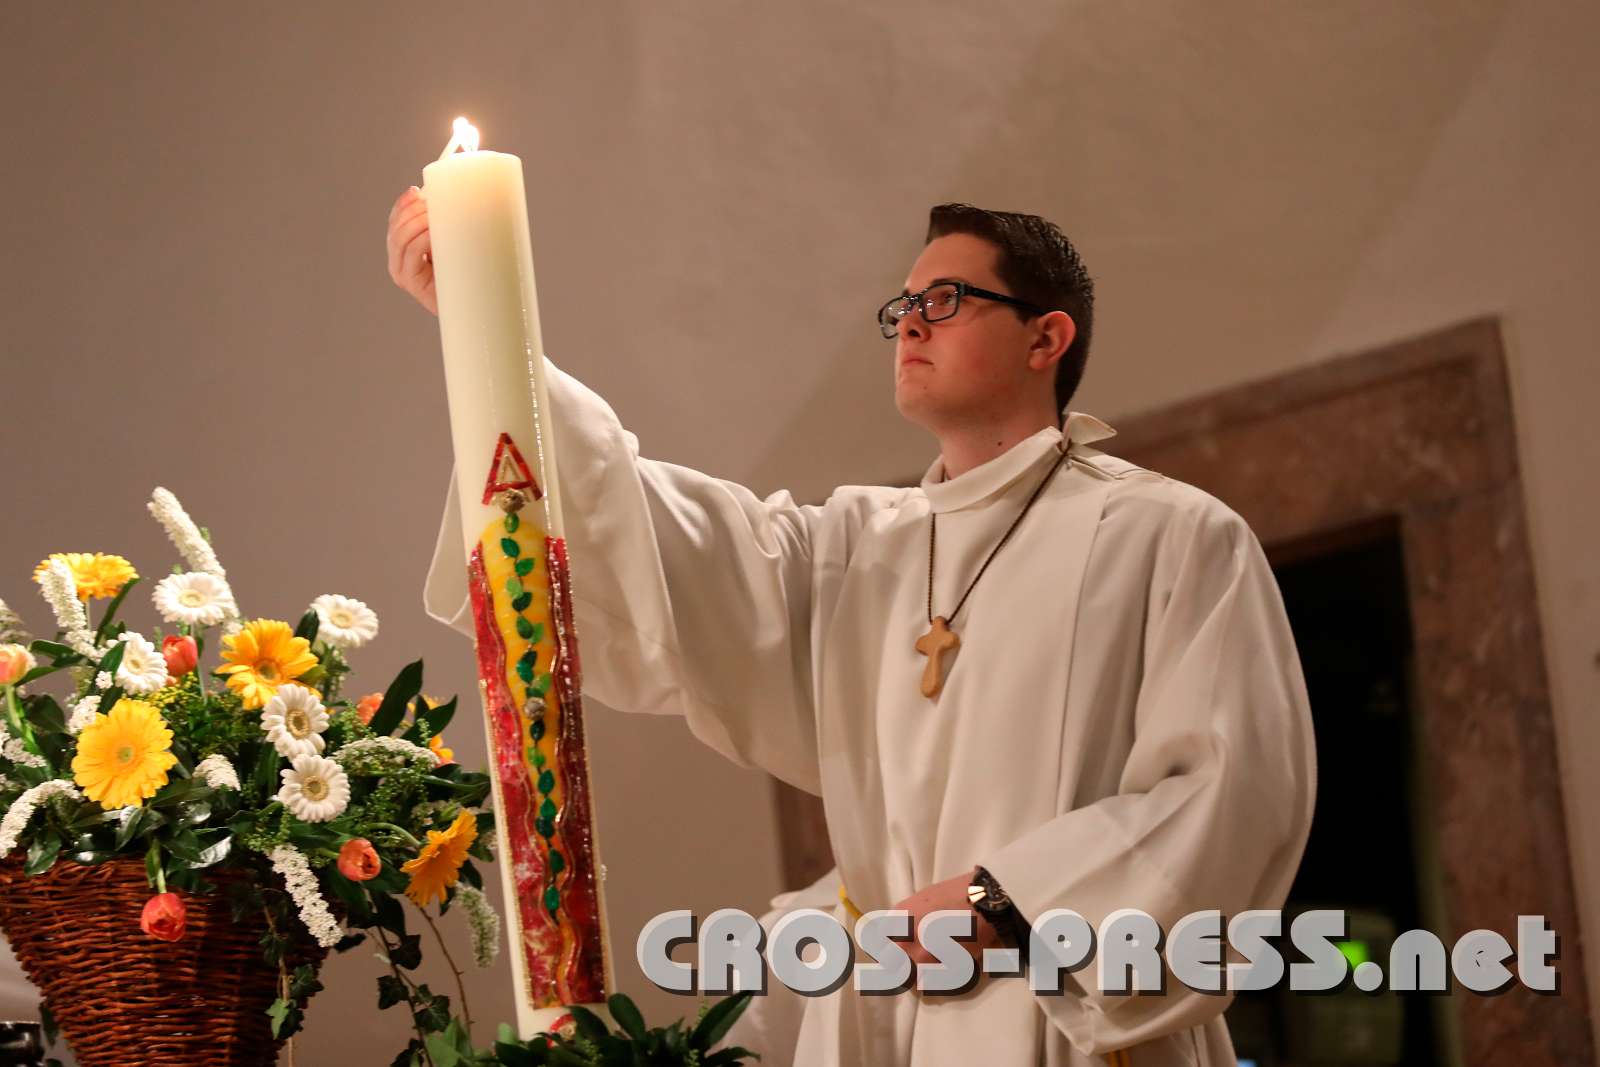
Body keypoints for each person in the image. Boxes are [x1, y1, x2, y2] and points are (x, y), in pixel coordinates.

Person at [389, 189, 1317, 1066]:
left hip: (1067, 1005)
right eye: (904, 305)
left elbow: (1232, 787)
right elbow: (643, 526)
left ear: (1047, 336)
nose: (909, 323)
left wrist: (1005, 901)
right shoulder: (855, 547)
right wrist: (487, 334)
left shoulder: (1168, 535)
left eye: (946, 300)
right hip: (887, 1011)